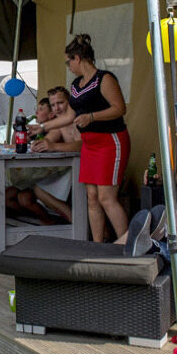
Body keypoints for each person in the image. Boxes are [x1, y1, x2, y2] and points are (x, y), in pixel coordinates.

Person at [33, 34, 130, 243]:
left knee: (106, 197)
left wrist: (93, 116)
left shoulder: (104, 78)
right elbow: (69, 115)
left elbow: (119, 108)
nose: (69, 66)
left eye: (69, 62)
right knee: (92, 197)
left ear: (77, 58)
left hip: (110, 141)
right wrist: (41, 126)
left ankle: (127, 244)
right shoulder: (76, 85)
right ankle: (97, 244)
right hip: (90, 145)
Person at [27, 86, 83, 221]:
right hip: (72, 168)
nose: (57, 108)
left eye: (60, 103)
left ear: (69, 102)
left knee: (38, 189)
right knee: (38, 189)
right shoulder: (60, 123)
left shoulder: (79, 117)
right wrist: (33, 140)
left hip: (87, 167)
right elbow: (48, 140)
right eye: (53, 105)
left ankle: (77, 224)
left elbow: (82, 145)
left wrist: (54, 146)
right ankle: (74, 223)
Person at [6, 96, 62, 224]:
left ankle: (47, 222)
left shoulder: (52, 131)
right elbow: (16, 143)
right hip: (31, 177)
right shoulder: (36, 130)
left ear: (51, 115)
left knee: (23, 198)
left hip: (46, 178)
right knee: (4, 197)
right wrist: (18, 129)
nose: (37, 112)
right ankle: (32, 218)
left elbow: (35, 147)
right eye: (37, 108)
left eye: (41, 109)